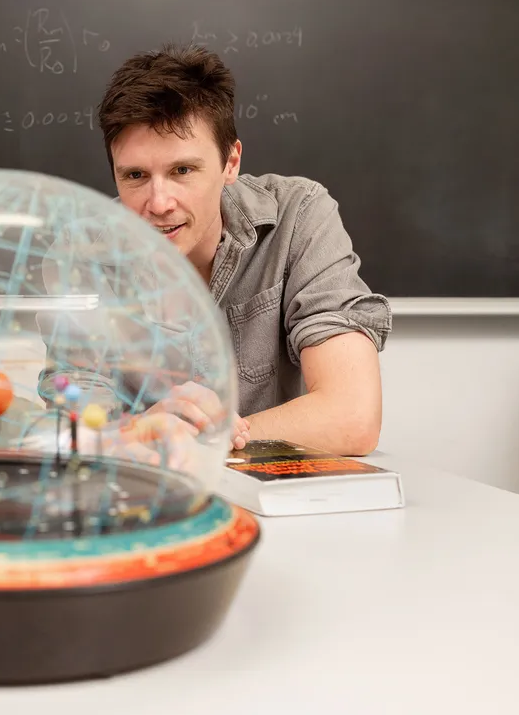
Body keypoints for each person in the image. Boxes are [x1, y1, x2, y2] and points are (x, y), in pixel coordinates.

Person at [99, 44, 391, 457]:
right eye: (135, 175)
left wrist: (202, 437)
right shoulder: (85, 251)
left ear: (230, 162)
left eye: (183, 170)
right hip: (147, 502)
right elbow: (70, 426)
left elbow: (353, 417)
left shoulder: (299, 216)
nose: (159, 202)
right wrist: (137, 434)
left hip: (277, 499)